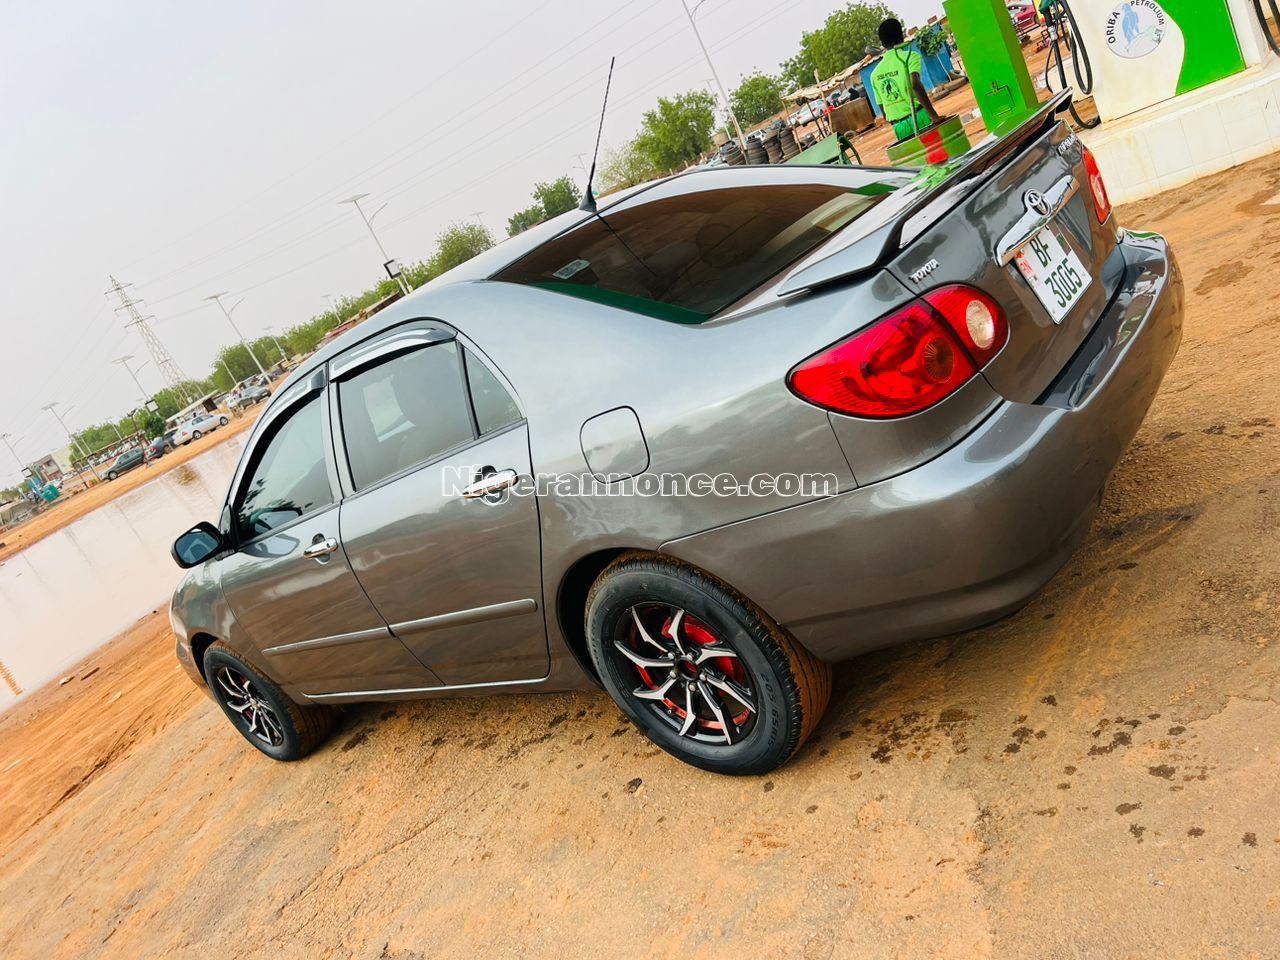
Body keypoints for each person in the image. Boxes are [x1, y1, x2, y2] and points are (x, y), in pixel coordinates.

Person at [869, 17, 941, 142]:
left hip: (899, 126)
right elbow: (915, 84)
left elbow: (882, 108)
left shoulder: (874, 74)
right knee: (935, 151)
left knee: (915, 154)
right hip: (919, 117)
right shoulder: (910, 57)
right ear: (901, 36)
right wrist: (934, 116)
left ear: (882, 43)